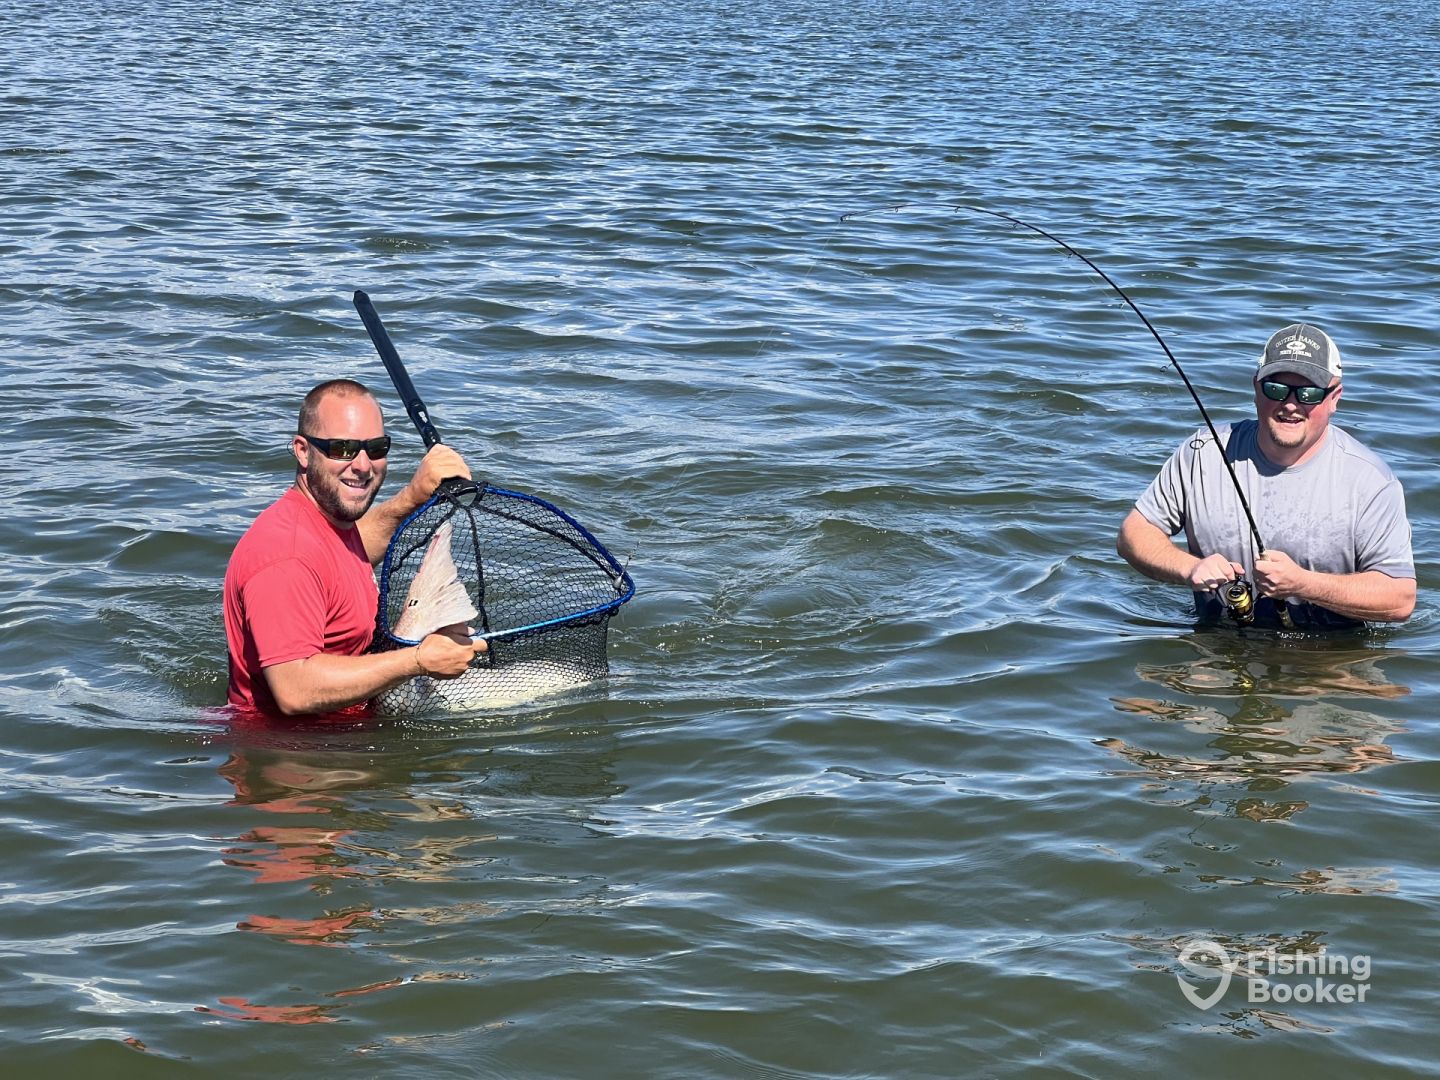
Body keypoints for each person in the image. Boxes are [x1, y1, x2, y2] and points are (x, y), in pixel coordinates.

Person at [1117, 323, 1415, 629]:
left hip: (1329, 651)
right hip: (1216, 643)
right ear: (1256, 387)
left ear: (1334, 397)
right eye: (1276, 389)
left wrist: (1303, 584)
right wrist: (1189, 568)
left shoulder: (1371, 481)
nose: (1290, 405)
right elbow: (1133, 535)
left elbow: (1400, 598)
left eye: (1309, 393)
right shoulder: (1202, 453)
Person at [224, 379, 486, 716]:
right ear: (303, 450)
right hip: (297, 747)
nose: (363, 465)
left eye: (375, 448)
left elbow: (342, 555)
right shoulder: (286, 555)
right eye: (343, 449)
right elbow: (295, 690)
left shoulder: (323, 525)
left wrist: (413, 496)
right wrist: (418, 660)